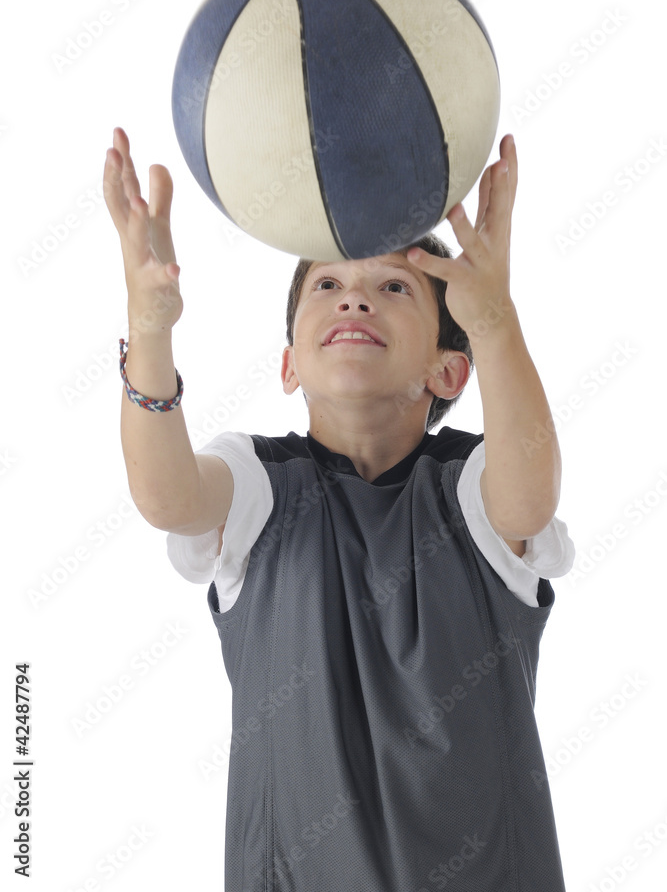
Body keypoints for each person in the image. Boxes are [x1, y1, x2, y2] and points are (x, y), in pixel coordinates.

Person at [104, 126, 574, 891]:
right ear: (289, 364)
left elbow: (529, 494)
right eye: (325, 285)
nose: (353, 293)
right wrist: (149, 326)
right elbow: (167, 496)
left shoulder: (471, 485)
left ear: (449, 370)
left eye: (394, 286)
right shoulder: (258, 483)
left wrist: (493, 319)